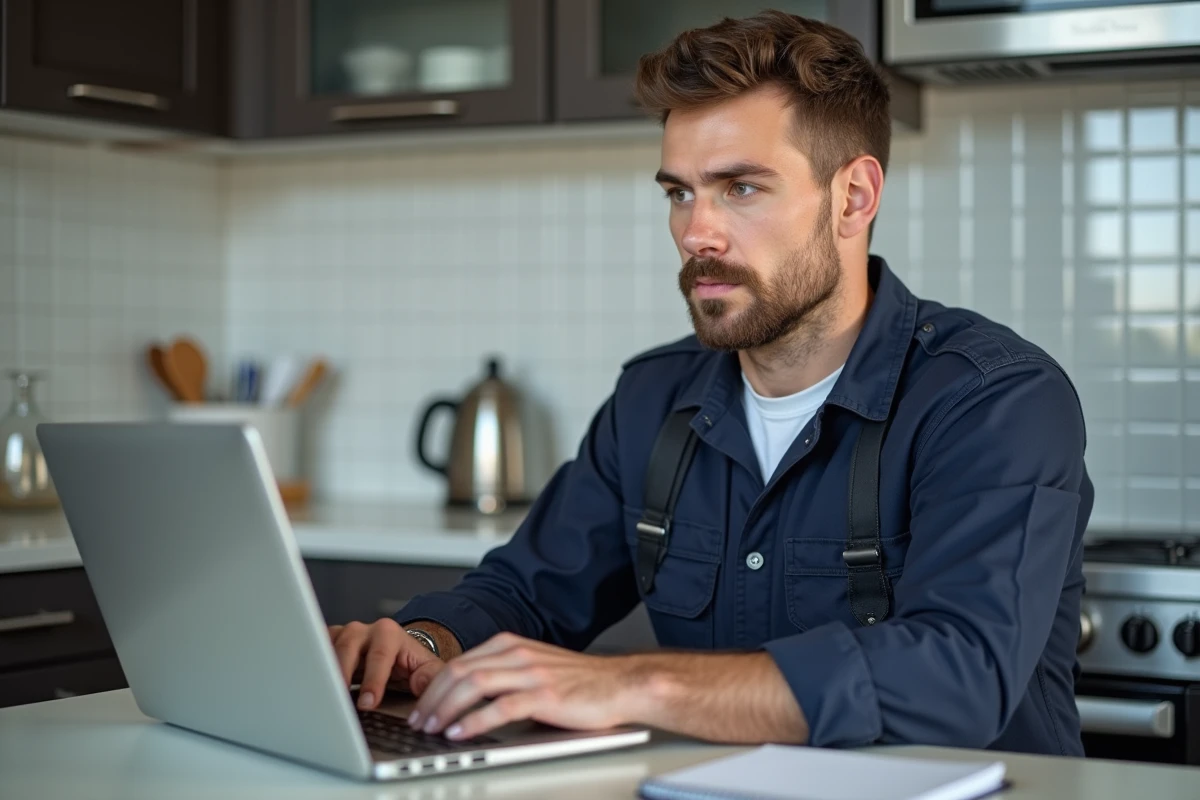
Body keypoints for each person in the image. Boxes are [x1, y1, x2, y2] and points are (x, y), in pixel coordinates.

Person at [329, 10, 1093, 754]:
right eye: (679, 192)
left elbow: (959, 673)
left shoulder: (996, 400)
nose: (697, 232)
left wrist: (635, 686)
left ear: (854, 197)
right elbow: (527, 591)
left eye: (742, 188)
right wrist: (419, 641)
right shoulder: (651, 401)